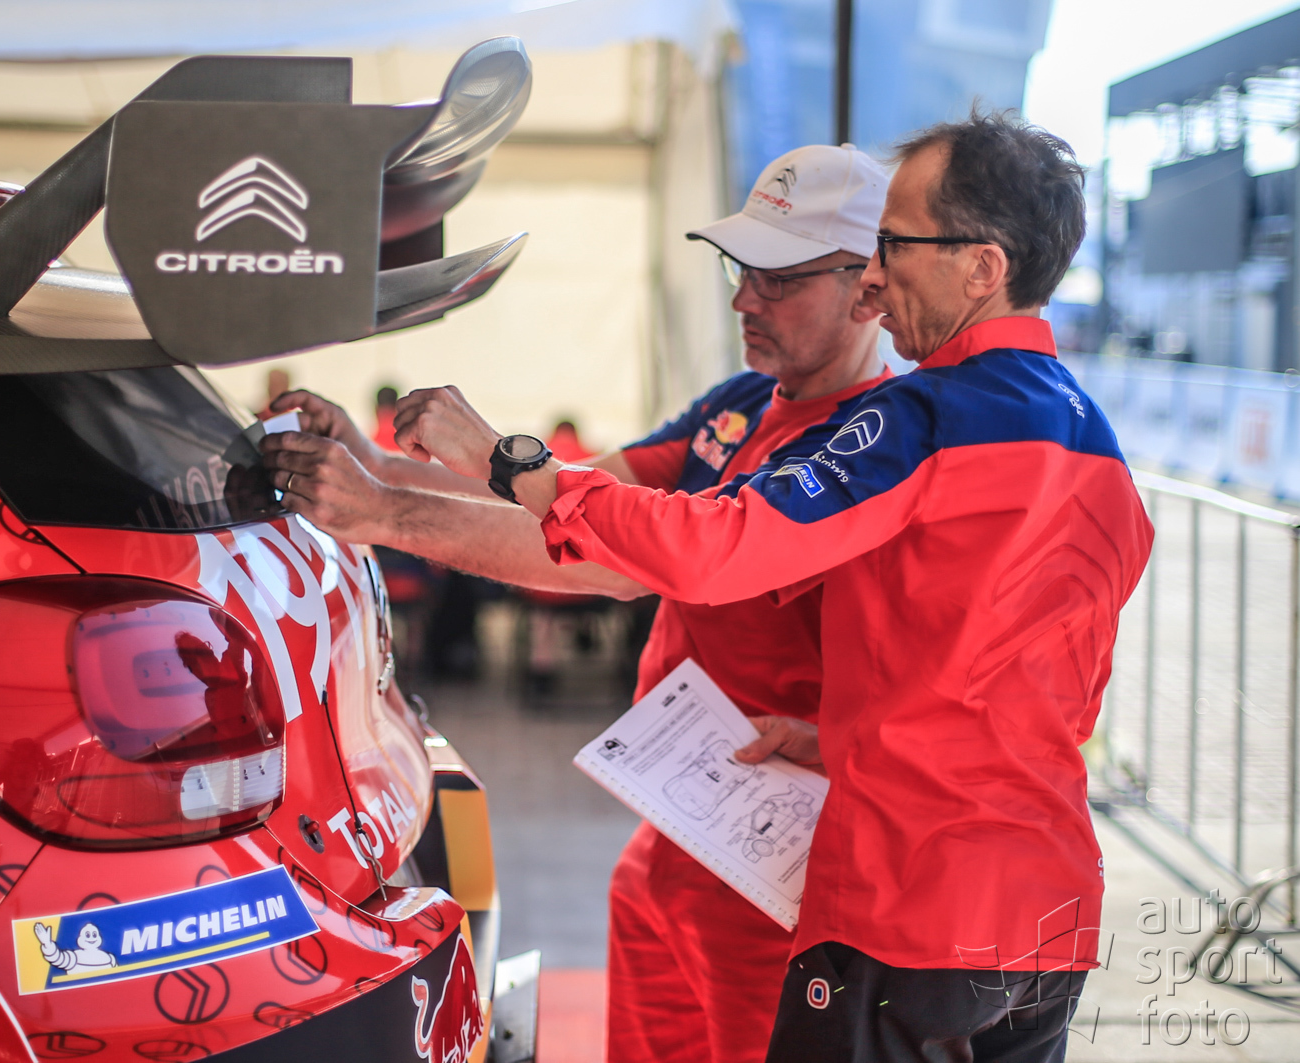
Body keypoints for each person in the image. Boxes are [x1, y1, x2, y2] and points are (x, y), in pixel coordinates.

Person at [370, 110, 1153, 1063]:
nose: (876, 276)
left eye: (894, 246)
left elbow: (711, 549)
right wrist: (841, 738)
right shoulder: (1097, 441)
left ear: (982, 268)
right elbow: (1017, 683)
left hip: (906, 900)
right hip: (1045, 907)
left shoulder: (920, 416)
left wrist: (507, 460)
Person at [263, 144, 891, 1063]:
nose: (743, 302)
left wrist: (386, 509)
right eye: (740, 270)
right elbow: (574, 498)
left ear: (869, 289)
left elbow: (613, 560)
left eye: (778, 279)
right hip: (677, 826)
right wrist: (375, 466)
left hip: (780, 861)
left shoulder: (871, 442)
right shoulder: (742, 404)